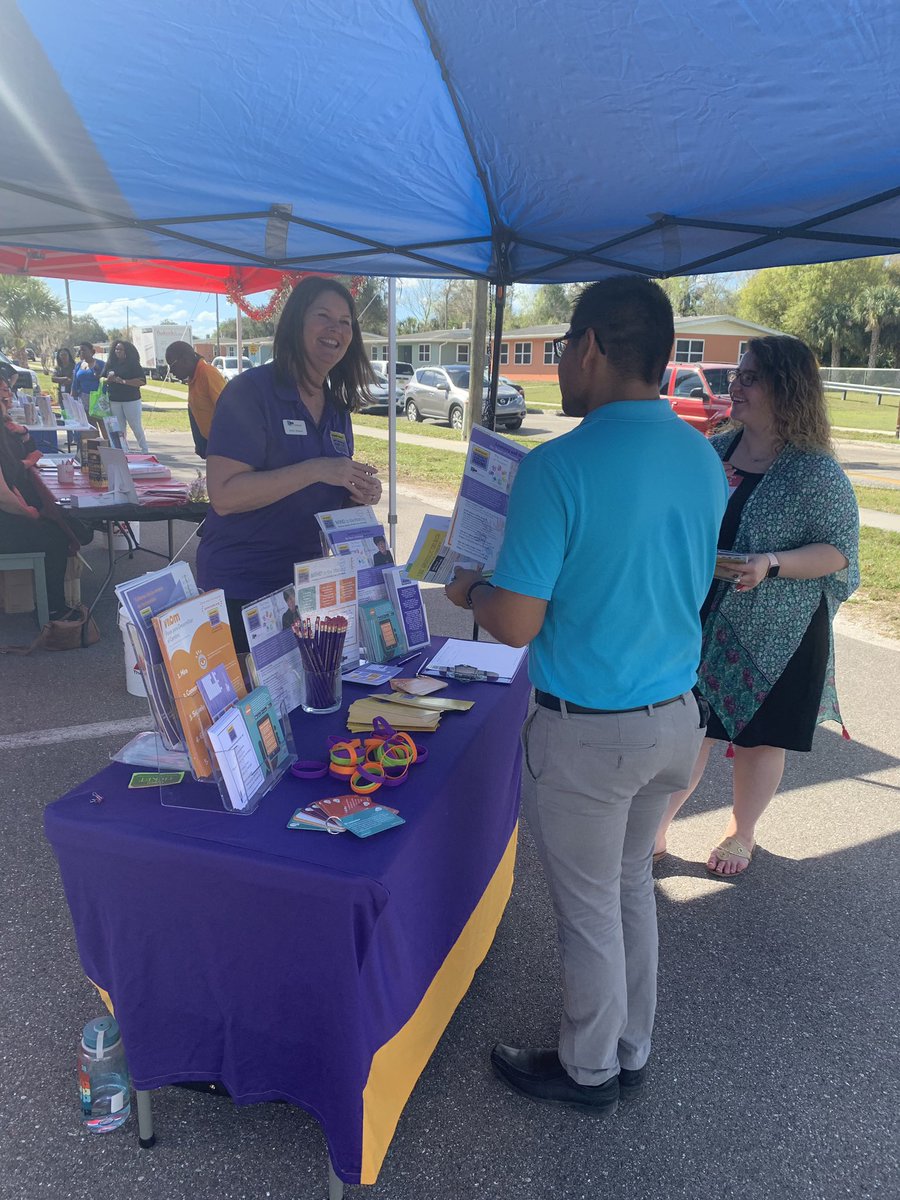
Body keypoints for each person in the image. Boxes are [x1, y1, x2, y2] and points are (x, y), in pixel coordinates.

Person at [445, 276, 729, 1117]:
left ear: (594, 348)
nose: (559, 364)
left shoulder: (558, 466)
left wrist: (468, 590)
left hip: (589, 734)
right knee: (630, 886)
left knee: (589, 913)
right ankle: (630, 1047)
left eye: (565, 347)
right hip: (675, 716)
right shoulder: (700, 456)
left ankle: (589, 1069)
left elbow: (517, 623)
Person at [653, 336, 860, 877]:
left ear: (784, 389)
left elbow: (839, 553)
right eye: (736, 375)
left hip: (780, 631)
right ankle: (656, 828)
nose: (733, 385)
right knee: (688, 727)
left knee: (759, 739)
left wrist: (771, 562)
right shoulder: (714, 451)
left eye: (748, 377)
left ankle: (741, 831)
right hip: (700, 616)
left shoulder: (815, 472)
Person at [197, 276, 381, 652]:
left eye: (346, 321)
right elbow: (224, 496)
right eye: (323, 316)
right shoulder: (250, 392)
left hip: (305, 587)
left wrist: (358, 494)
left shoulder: (336, 407)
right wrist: (318, 467)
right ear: (296, 322)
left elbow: (322, 498)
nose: (336, 329)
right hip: (241, 588)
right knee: (251, 707)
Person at [0, 382, 81, 623]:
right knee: (55, 537)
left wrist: (23, 435)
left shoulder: (6, 430)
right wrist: (28, 513)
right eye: (3, 399)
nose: (9, 402)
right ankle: (55, 609)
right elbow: (3, 495)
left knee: (55, 522)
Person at [164, 340, 226, 459]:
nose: (171, 371)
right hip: (210, 446)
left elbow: (227, 411)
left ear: (185, 360)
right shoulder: (193, 378)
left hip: (223, 448)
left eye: (172, 365)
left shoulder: (208, 373)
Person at [103, 340, 149, 452]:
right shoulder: (111, 363)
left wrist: (123, 381)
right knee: (119, 427)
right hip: (114, 399)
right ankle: (122, 450)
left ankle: (144, 449)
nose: (117, 351)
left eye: (120, 349)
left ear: (126, 351)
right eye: (116, 349)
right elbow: (101, 378)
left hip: (131, 399)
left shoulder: (133, 364)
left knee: (135, 425)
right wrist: (107, 380)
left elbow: (142, 381)